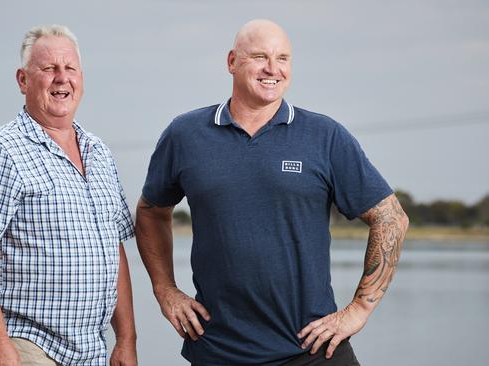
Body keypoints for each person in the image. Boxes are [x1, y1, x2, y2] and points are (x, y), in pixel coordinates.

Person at [135, 19, 409, 366]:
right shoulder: (185, 134)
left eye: (283, 58)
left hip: (313, 351)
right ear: (232, 61)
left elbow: (391, 217)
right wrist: (165, 290)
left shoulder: (324, 136)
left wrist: (360, 309)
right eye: (260, 57)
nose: (273, 69)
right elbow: (150, 211)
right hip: (218, 350)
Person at [0, 25, 137, 366]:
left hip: (89, 350)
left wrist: (126, 339)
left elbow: (114, 250)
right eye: (49, 68)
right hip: (24, 344)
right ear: (23, 80)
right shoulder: (1, 150)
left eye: (70, 68)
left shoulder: (99, 153)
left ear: (81, 78)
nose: (61, 78)